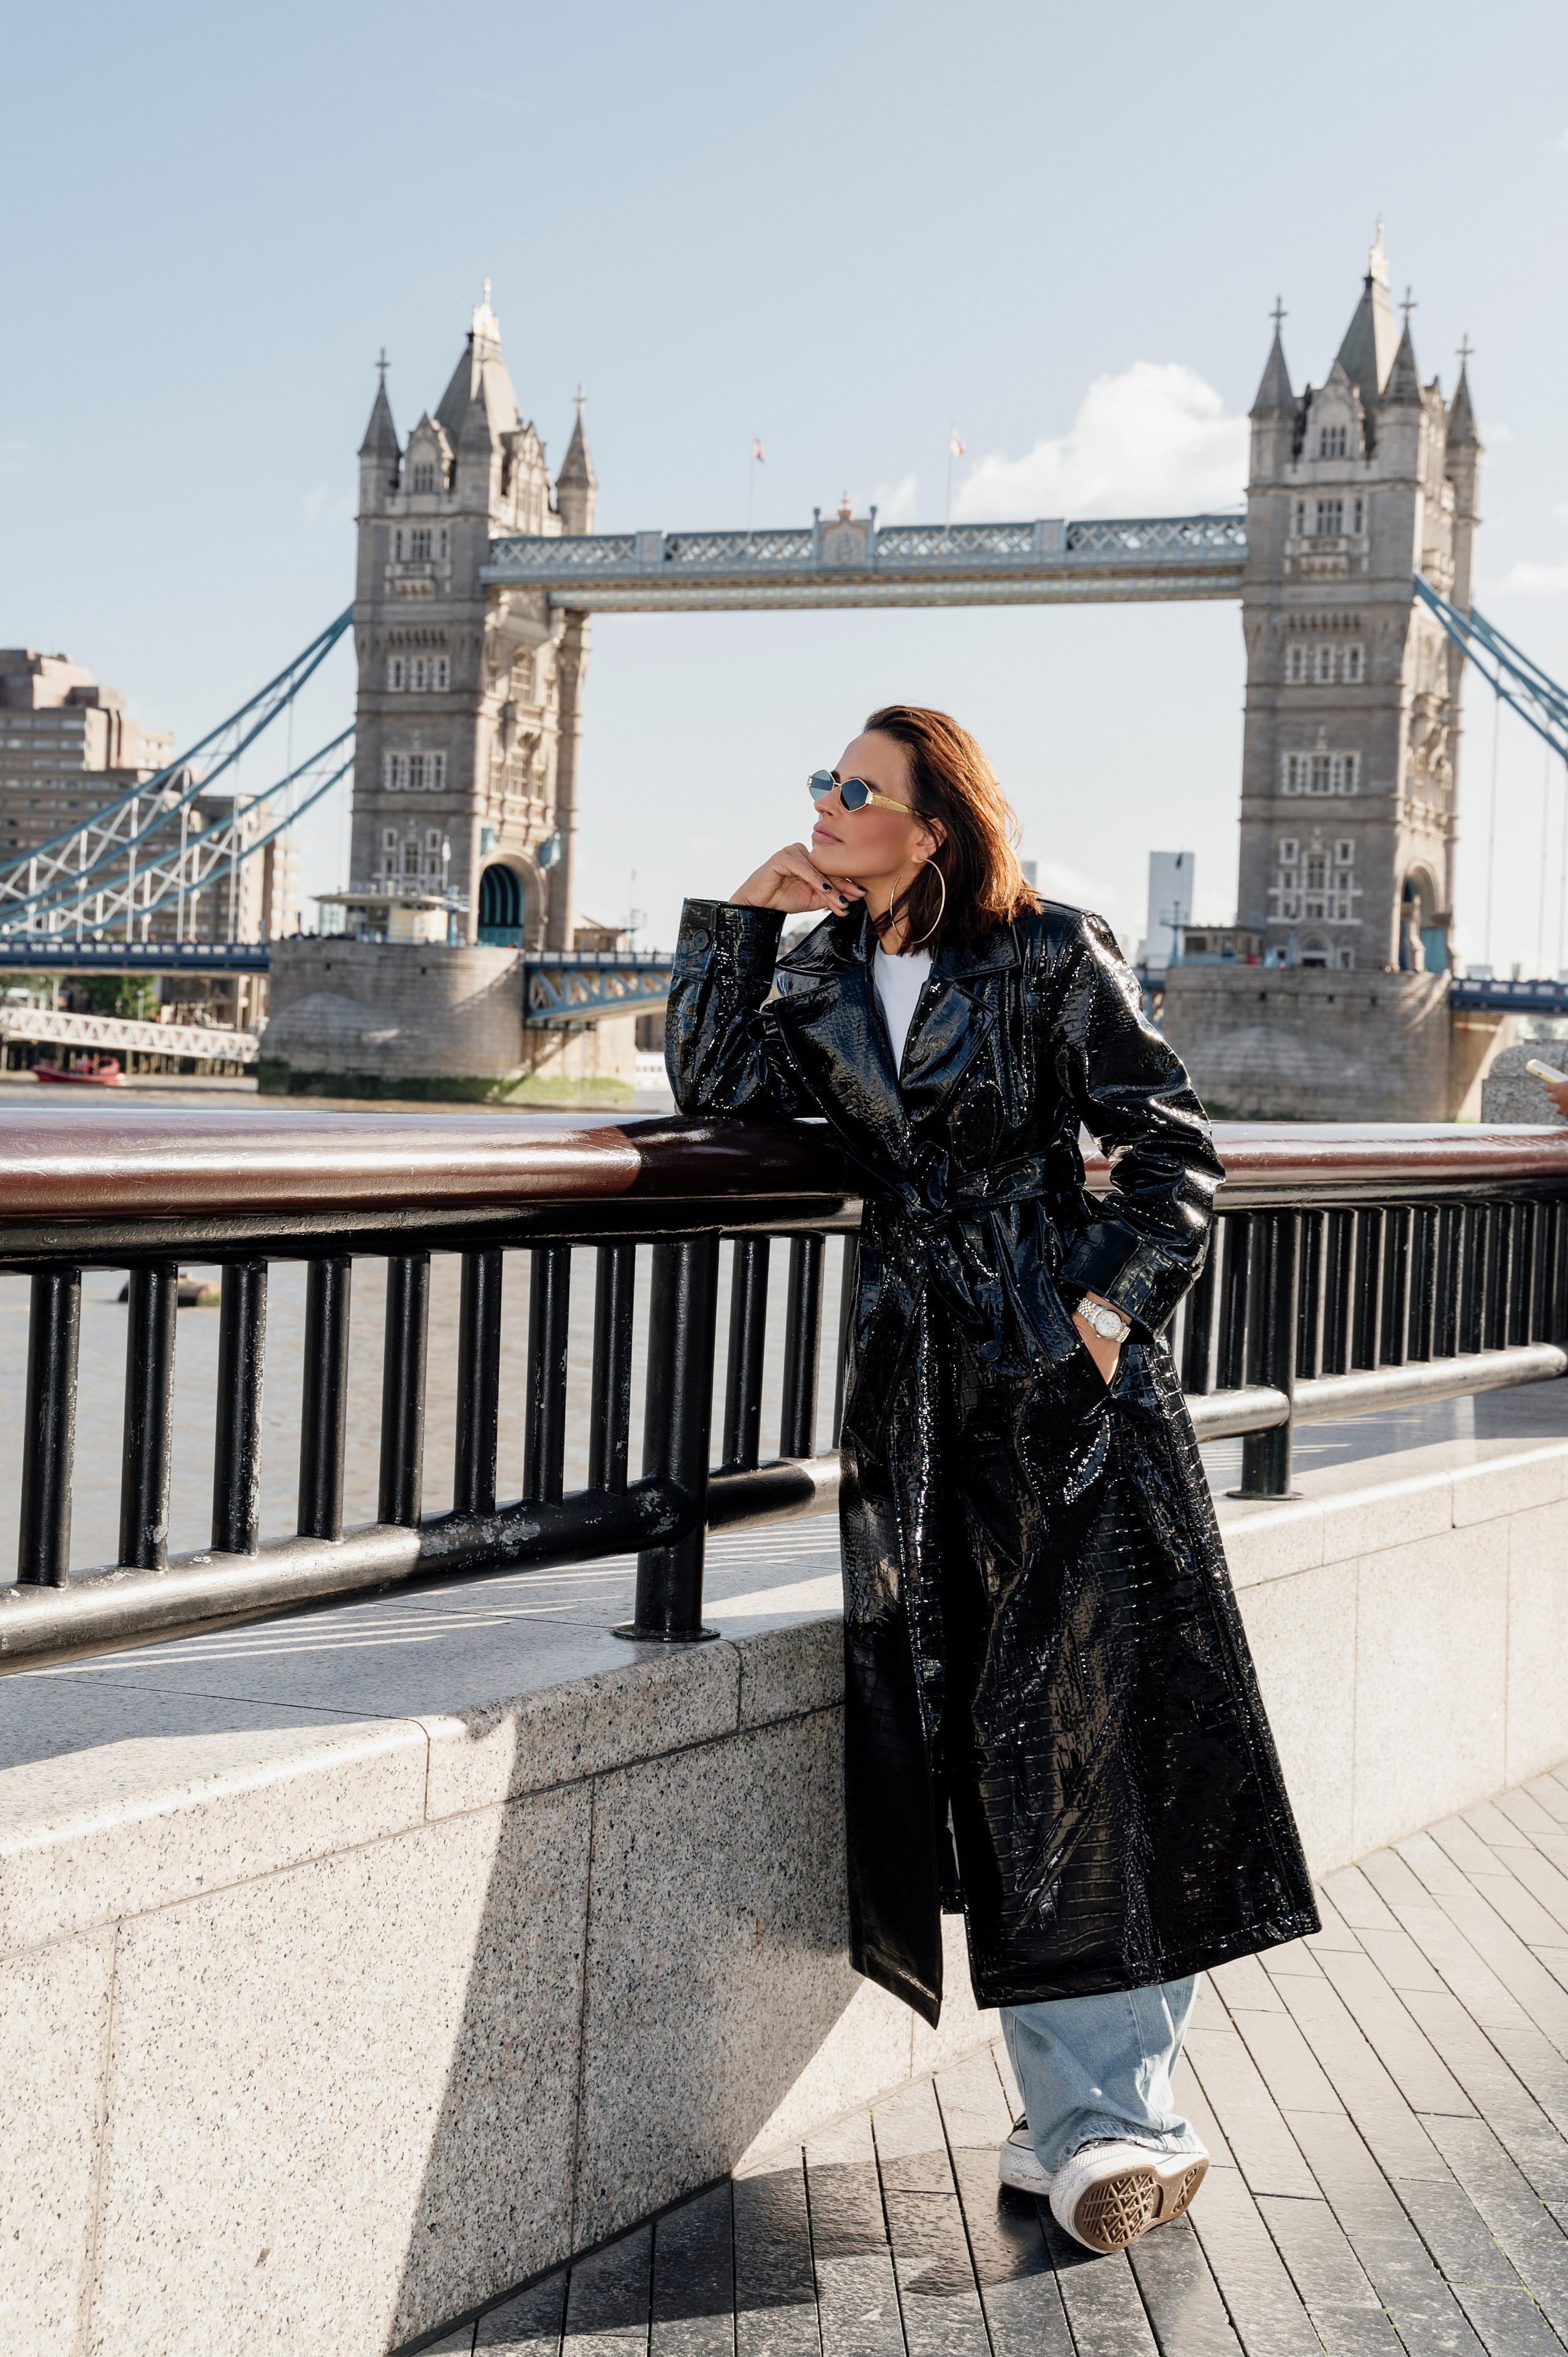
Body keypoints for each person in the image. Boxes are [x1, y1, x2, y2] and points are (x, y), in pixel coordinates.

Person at [665, 706, 1318, 2257]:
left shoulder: (1041, 950)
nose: (825, 805)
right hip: (912, 1394)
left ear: (931, 827)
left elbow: (1169, 1149)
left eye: (855, 791)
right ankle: (1080, 2117)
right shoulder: (815, 967)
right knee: (975, 1733)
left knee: (1083, 1729)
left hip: (1058, 1391)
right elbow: (713, 1093)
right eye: (822, 784)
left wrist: (1088, 1324)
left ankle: (1104, 2122)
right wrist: (737, 924)